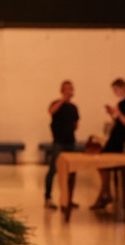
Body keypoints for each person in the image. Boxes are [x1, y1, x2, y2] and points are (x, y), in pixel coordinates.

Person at [91, 78, 125, 210]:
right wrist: (112, 114)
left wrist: (118, 114)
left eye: (116, 90)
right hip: (115, 135)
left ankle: (104, 195)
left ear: (123, 87)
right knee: (102, 164)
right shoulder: (121, 102)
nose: (115, 92)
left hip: (119, 137)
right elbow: (118, 122)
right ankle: (105, 194)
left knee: (104, 163)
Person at [44, 80, 79, 210]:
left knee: (71, 171)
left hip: (70, 142)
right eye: (66, 88)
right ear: (62, 90)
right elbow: (51, 111)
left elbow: (76, 124)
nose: (69, 90)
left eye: (71, 88)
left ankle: (68, 199)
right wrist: (63, 100)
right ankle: (48, 198)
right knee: (53, 170)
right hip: (58, 142)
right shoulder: (56, 104)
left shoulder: (74, 107)